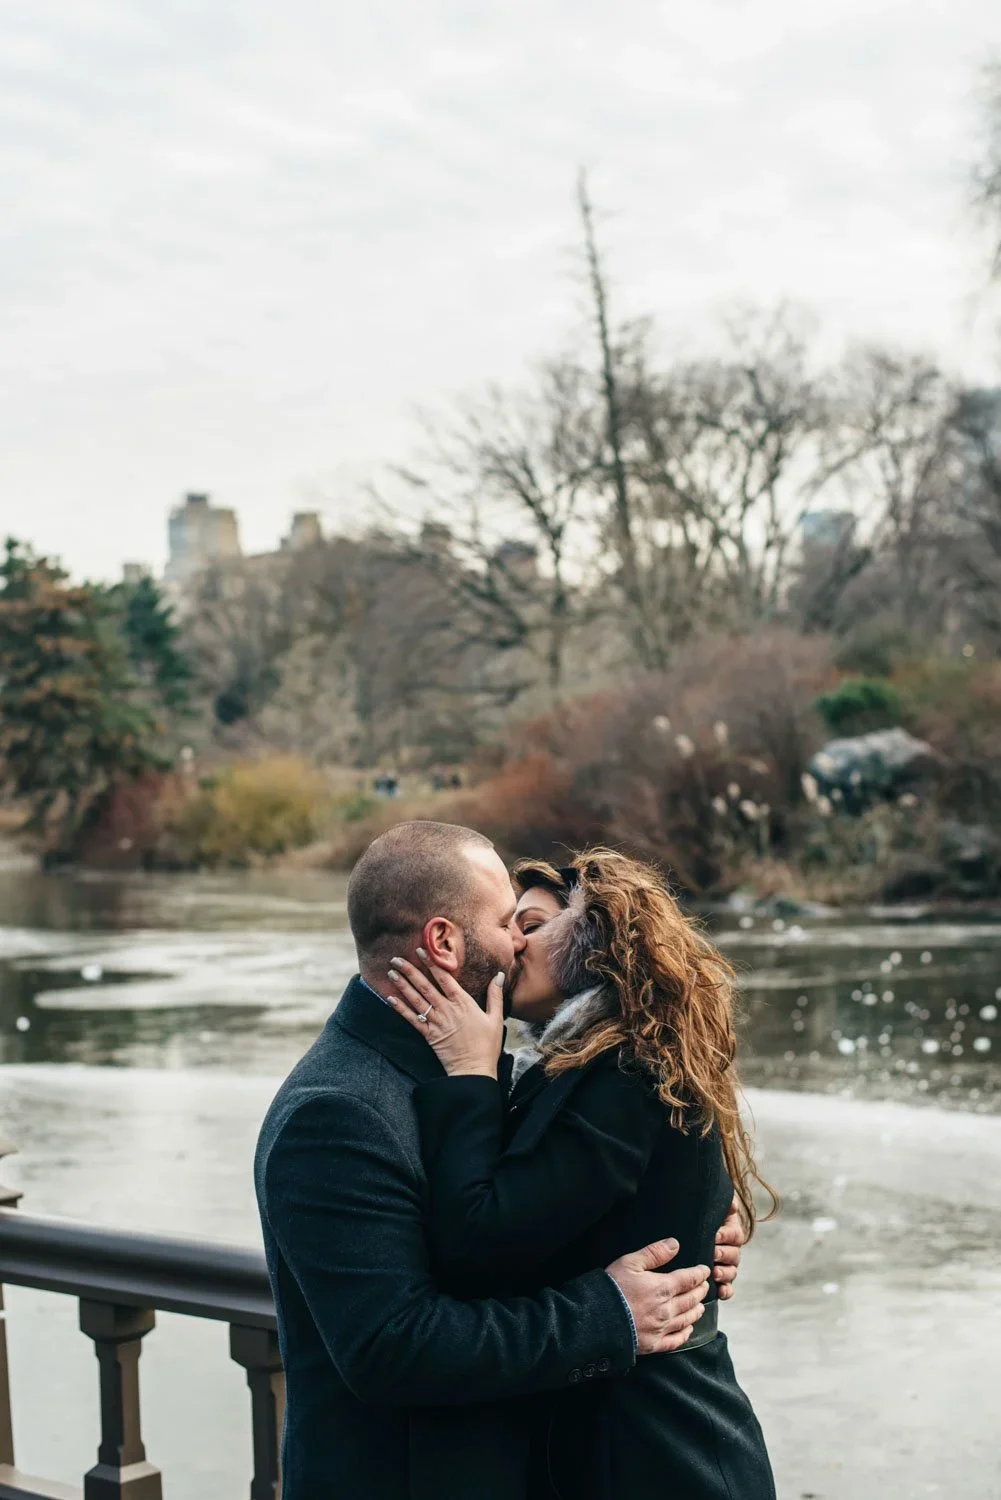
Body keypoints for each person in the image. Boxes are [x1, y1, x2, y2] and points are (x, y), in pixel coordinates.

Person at [255, 823, 743, 1500]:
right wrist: (606, 1315)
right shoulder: (337, 1110)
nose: (520, 942)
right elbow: (392, 1346)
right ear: (444, 941)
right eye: (509, 922)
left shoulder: (490, 1072)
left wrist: (695, 1222)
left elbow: (556, 1199)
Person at [385, 846, 775, 1500]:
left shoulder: (624, 1074)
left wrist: (469, 1077)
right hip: (624, 1444)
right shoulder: (582, 1067)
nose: (509, 945)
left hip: (662, 1456)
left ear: (594, 940)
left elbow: (477, 1246)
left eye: (531, 926)